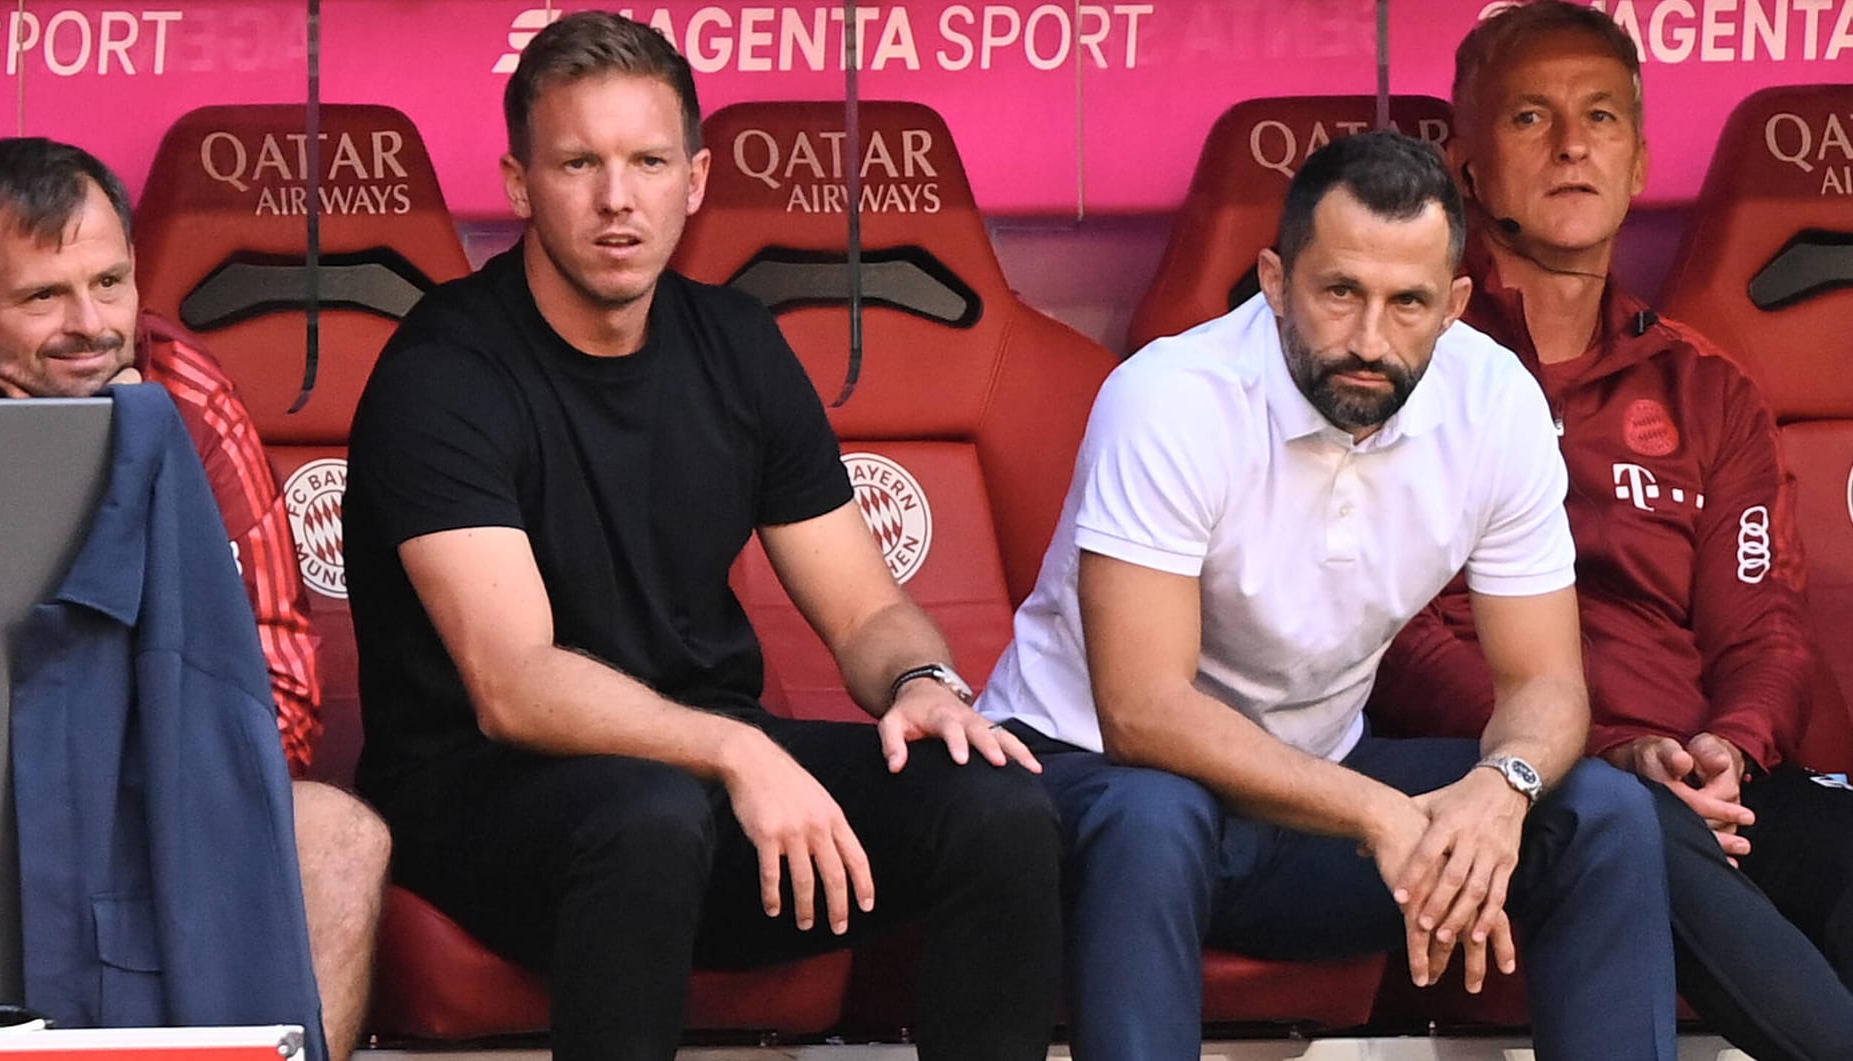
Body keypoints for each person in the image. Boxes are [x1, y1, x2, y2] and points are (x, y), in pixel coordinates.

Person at [340, 12, 1060, 1061]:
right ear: (518, 181)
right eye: (578, 163)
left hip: (699, 779)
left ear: (696, 177)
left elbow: (861, 606)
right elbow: (514, 682)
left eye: (646, 161)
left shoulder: (735, 342)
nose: (616, 199)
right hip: (486, 799)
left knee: (997, 808)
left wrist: (920, 681)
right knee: (646, 820)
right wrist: (734, 747)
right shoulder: (444, 371)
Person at [978, 129, 1680, 1061]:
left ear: (1455, 305)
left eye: (1407, 304)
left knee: (1599, 811)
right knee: (1155, 815)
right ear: (1274, 280)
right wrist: (1377, 811)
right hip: (1084, 785)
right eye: (1339, 291)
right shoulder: (1172, 397)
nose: (1367, 339)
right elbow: (1142, 710)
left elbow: (1546, 684)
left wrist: (1496, 790)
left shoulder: (1492, 401)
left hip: (1308, 800)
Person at [1369, 4, 1853, 1058]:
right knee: (1612, 816)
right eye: (1531, 118)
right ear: (1463, 163)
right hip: (1513, 773)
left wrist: (1730, 747)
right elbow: (1387, 631)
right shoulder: (1404, 369)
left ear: (1638, 160)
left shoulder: (1706, 386)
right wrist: (1594, 748)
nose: (1573, 145)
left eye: (1600, 118)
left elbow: (1765, 628)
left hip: (1704, 782)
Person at [0, 137, 390, 1061]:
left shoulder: (187, 395)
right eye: (43, 296)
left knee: (339, 837)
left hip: (156, 791)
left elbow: (278, 691)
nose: (92, 324)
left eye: (110, 283)